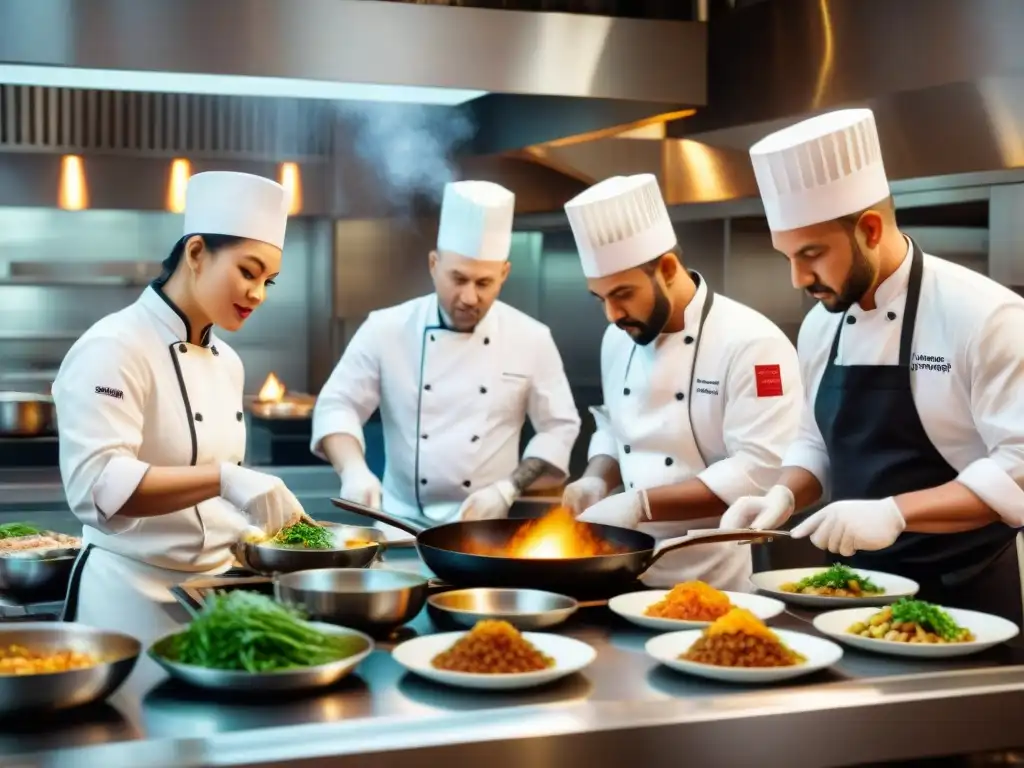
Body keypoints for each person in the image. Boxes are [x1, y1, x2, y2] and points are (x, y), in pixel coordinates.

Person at [721, 108, 1024, 624]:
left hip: (963, 600)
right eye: (786, 256)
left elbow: (1018, 470)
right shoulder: (821, 325)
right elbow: (814, 441)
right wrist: (782, 494)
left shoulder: (986, 316)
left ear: (870, 229)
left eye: (812, 254)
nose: (798, 278)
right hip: (848, 596)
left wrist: (894, 513)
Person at [54, 171, 306, 644]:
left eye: (268, 280)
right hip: (126, 598)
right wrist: (227, 478)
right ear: (195, 253)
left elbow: (206, 506)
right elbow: (97, 487)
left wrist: (262, 528)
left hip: (215, 597)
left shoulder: (228, 362)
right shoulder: (114, 346)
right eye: (248, 272)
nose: (259, 294)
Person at [559, 174, 803, 589]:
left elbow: (759, 470)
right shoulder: (617, 339)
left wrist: (640, 505)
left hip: (710, 579)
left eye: (622, 294)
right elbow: (615, 428)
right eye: (601, 299)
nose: (612, 315)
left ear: (668, 269)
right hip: (618, 567)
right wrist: (597, 477)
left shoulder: (752, 342)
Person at [311, 180, 580, 526]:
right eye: (458, 279)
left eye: (484, 283)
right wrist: (353, 470)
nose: (469, 297)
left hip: (486, 527)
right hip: (398, 525)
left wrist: (507, 490)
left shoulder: (531, 338)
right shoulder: (387, 328)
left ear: (504, 274)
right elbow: (338, 404)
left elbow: (559, 427)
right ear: (434, 265)